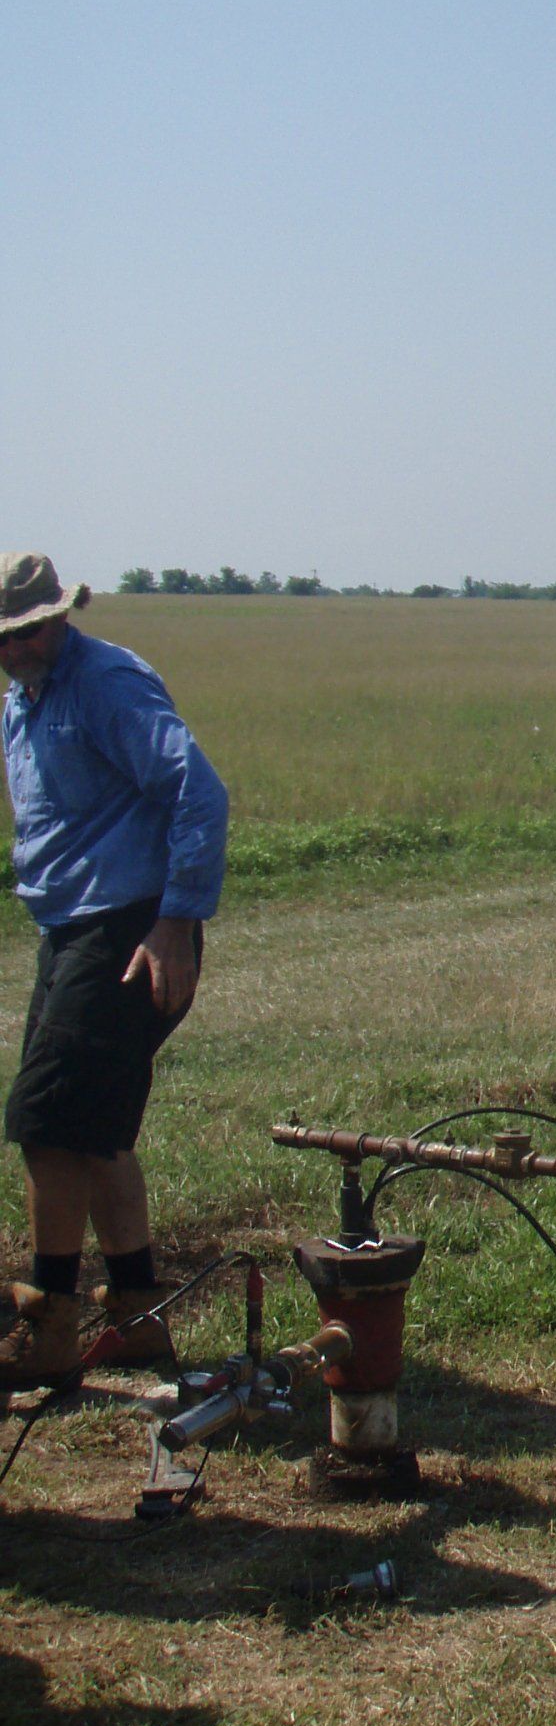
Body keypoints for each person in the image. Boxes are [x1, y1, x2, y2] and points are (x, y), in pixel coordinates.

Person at [0, 553, 228, 1389]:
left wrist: (175, 922)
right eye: (3, 638)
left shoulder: (106, 685)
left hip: (130, 929)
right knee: (94, 1130)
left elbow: (199, 794)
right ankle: (137, 1318)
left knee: (47, 1123)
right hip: (72, 930)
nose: (16, 648)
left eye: (29, 631)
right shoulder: (23, 703)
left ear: (61, 617)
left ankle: (48, 1327)